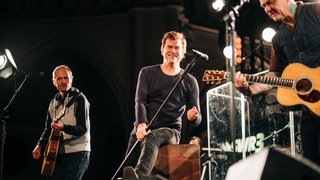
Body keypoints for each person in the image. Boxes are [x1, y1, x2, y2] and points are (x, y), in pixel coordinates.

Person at [235, 0, 320, 166]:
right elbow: (275, 75)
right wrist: (249, 89)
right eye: (264, 6)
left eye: (270, 2)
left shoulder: (317, 10)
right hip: (310, 113)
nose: (267, 9)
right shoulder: (278, 39)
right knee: (312, 166)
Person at [122, 31, 202, 179]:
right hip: (144, 126)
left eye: (177, 48)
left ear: (183, 52)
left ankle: (140, 176)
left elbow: (197, 119)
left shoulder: (190, 81)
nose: (173, 51)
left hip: (170, 131)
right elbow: (140, 101)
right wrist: (140, 125)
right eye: (169, 47)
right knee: (127, 169)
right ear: (162, 49)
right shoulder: (147, 73)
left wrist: (193, 117)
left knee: (152, 137)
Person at [32, 65, 91, 180]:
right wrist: (39, 146)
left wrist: (63, 127)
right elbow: (48, 130)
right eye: (59, 78)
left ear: (71, 79)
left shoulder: (80, 99)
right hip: (57, 155)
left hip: (78, 153)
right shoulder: (52, 104)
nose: (63, 81)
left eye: (66, 78)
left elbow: (82, 129)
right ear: (54, 81)